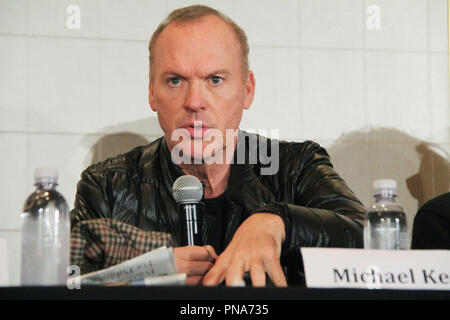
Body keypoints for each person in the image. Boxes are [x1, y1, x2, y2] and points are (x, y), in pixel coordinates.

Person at [71, 5, 365, 287]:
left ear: (247, 90)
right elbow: (67, 283)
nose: (194, 101)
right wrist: (149, 277)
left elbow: (371, 238)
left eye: (215, 79)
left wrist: (277, 221)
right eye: (175, 80)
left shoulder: (295, 167)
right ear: (152, 93)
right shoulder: (107, 187)